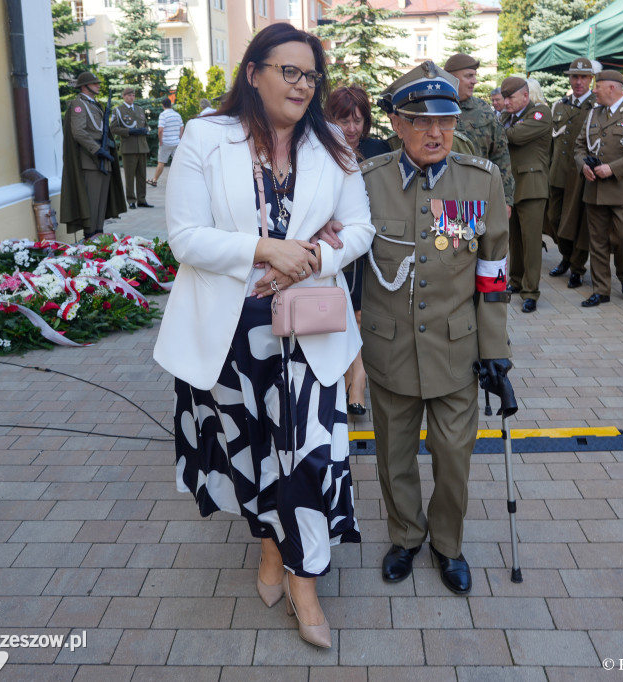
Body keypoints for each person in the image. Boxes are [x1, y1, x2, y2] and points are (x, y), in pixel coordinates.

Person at [152, 23, 375, 648]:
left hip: (307, 324)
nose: (302, 85)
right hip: (231, 330)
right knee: (252, 453)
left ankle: (304, 580)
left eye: (311, 76)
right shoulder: (206, 137)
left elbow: (360, 229)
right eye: (289, 71)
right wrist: (263, 249)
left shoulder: (331, 142)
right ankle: (273, 550)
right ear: (253, 72)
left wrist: (308, 259)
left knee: (307, 453)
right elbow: (185, 237)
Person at [358, 61, 512, 596]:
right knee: (393, 455)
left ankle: (448, 543)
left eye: (444, 121)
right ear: (396, 126)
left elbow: (493, 274)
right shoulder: (367, 185)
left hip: (456, 353)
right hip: (389, 350)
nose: (434, 133)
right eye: (419, 122)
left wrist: (496, 352)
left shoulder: (480, 182)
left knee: (454, 458)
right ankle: (405, 536)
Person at [326, 85, 391, 416]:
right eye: (342, 120)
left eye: (358, 120)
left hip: (375, 249)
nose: (351, 129)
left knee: (363, 315)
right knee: (343, 314)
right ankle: (349, 376)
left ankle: (358, 380)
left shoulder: (379, 150)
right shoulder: (319, 150)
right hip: (339, 250)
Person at [573, 69, 623, 307]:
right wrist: (582, 166)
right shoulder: (592, 114)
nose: (594, 90)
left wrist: (613, 168)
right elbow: (579, 147)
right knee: (597, 242)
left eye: (597, 86)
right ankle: (601, 290)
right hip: (595, 190)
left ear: (611, 88)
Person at [501, 75, 552, 313]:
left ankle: (531, 292)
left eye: (510, 97)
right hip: (511, 186)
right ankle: (516, 281)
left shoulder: (540, 113)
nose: (505, 102)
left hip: (532, 185)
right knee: (514, 240)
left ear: (525, 95)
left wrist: (502, 130)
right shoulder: (505, 117)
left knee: (531, 242)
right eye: (504, 97)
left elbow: (515, 136)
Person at [546, 57, 596, 289]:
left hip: (580, 175)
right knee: (554, 218)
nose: (578, 82)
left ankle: (577, 267)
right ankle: (566, 256)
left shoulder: (597, 106)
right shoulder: (560, 105)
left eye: (583, 77)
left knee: (577, 223)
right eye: (575, 77)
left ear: (590, 79)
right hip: (557, 172)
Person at [443, 53, 515, 207]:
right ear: (451, 77)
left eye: (474, 76)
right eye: (469, 76)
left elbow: (501, 157)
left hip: (477, 197)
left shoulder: (484, 111)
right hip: (439, 196)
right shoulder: (433, 108)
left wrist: (506, 200)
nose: (474, 81)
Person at [59, 72, 125, 239]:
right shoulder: (78, 104)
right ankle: (90, 237)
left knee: (102, 203)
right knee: (92, 203)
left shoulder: (94, 105)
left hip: (103, 158)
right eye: (94, 83)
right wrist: (97, 150)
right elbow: (79, 132)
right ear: (84, 86)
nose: (98, 85)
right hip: (91, 160)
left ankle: (98, 235)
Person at [110, 86, 153, 210]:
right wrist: (129, 131)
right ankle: (131, 200)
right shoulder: (118, 110)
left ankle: (142, 199)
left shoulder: (139, 109)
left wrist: (145, 130)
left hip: (142, 147)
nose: (132, 97)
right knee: (129, 176)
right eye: (129, 95)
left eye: (133, 95)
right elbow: (113, 128)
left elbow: (145, 125)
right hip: (128, 147)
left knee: (141, 175)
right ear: (124, 96)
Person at [149, 97, 184, 187]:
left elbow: (160, 130)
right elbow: (182, 127)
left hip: (166, 143)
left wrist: (160, 141)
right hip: (176, 143)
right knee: (178, 162)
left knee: (161, 162)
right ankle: (181, 180)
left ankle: (154, 180)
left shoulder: (163, 115)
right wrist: (180, 139)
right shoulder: (177, 115)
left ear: (163, 105)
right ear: (171, 104)